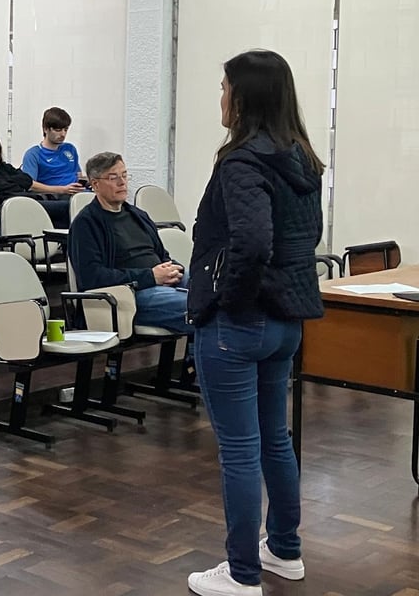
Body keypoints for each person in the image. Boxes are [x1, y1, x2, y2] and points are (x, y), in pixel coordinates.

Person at [185, 50, 323, 596]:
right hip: (286, 319)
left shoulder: (242, 161)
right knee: (274, 440)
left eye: (223, 87)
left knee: (240, 449)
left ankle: (242, 574)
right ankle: (284, 550)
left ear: (244, 97)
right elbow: (299, 241)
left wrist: (226, 297)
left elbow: (252, 241)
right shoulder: (302, 158)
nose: (219, 96)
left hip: (239, 325)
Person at [68, 151, 192, 335]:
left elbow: (161, 256)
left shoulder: (138, 216)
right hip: (127, 295)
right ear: (95, 184)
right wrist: (150, 277)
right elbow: (92, 278)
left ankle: (196, 359)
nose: (122, 182)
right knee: (197, 305)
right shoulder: (86, 223)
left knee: (212, 288)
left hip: (158, 283)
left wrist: (172, 270)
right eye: (113, 178)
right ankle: (194, 359)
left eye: (125, 175)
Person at [0, 128, 74, 228]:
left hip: (26, 200)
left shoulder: (0, 166)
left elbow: (26, 179)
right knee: (68, 208)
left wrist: (13, 182)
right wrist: (16, 183)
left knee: (67, 204)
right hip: (12, 206)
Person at [20, 107, 86, 194]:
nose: (63, 134)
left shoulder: (70, 149)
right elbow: (30, 185)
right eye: (58, 130)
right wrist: (62, 190)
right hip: (55, 197)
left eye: (65, 130)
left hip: (78, 193)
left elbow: (78, 175)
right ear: (45, 129)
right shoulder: (33, 154)